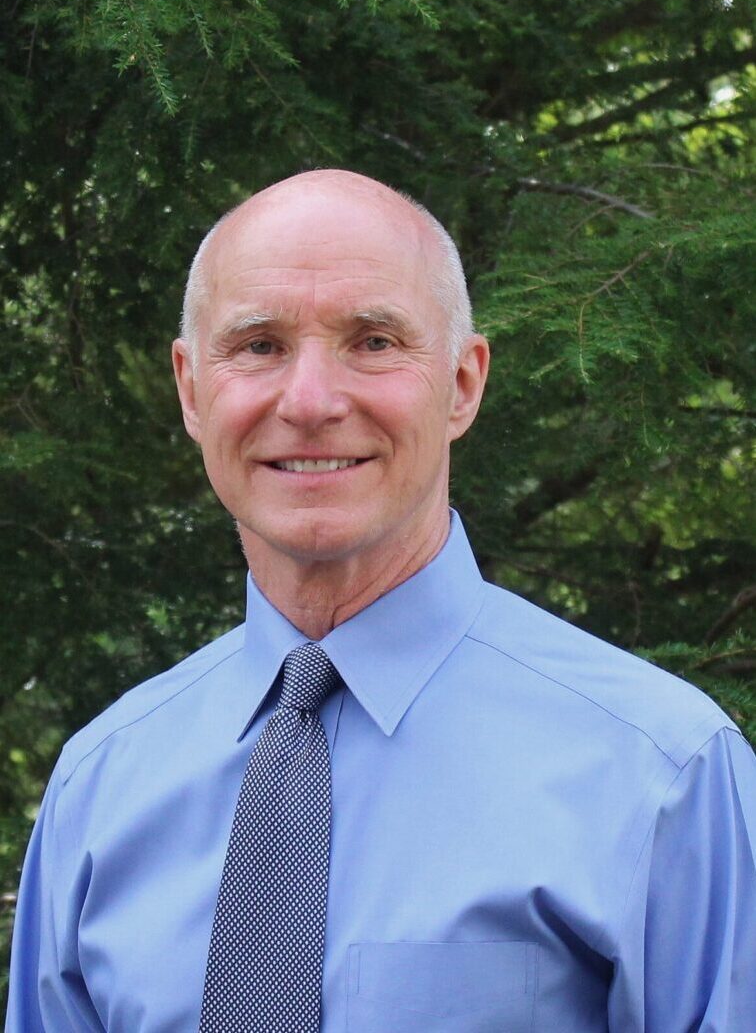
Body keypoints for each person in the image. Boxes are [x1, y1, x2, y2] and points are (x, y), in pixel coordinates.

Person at [5, 169, 755, 1032]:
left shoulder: (664, 777)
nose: (313, 403)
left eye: (373, 341)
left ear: (464, 384)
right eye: (258, 346)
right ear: (190, 390)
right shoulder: (99, 789)